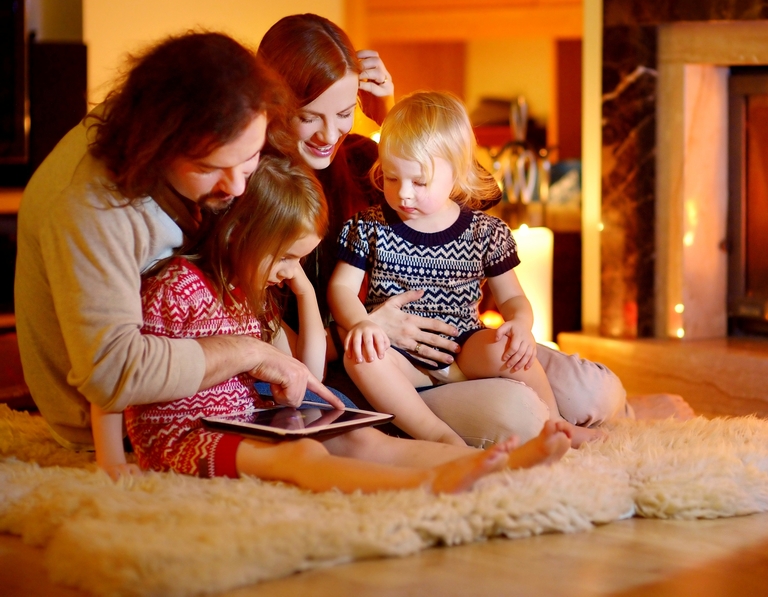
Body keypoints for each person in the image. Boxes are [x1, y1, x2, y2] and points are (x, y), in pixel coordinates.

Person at [256, 14, 693, 446]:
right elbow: (297, 354)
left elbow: (470, 199)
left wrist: (389, 120)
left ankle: (620, 410)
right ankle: (511, 427)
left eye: (345, 112)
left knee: (596, 391)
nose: (330, 133)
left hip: (460, 342)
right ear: (277, 106)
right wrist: (366, 326)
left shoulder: (361, 158)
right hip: (379, 366)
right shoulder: (257, 191)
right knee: (516, 415)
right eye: (312, 117)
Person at [91, 155, 571, 492]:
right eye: (285, 258)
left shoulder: (250, 294)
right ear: (240, 234)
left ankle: (498, 467)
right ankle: (429, 484)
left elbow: (311, 372)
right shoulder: (176, 287)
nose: (288, 271)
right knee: (300, 459)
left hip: (248, 421)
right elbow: (116, 377)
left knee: (361, 439)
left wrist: (301, 291)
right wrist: (112, 460)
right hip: (184, 436)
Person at [15, 32, 345, 451]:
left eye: (249, 160)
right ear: (159, 150)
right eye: (211, 168)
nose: (237, 188)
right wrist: (250, 353)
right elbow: (114, 375)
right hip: (116, 422)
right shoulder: (92, 209)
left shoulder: (223, 116)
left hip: (216, 393)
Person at [329, 91, 604, 449]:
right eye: (392, 178)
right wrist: (362, 323)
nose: (404, 194)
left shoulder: (484, 232)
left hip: (465, 348)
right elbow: (341, 289)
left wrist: (520, 326)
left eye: (419, 182)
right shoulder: (370, 227)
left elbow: (513, 298)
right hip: (399, 355)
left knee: (509, 348)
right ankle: (438, 436)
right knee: (360, 358)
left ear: (456, 173)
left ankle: (555, 425)